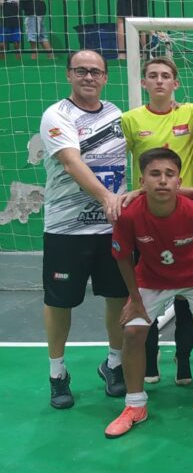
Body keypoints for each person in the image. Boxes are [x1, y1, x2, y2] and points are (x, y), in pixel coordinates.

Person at [106, 148, 193, 438]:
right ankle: (135, 405)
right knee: (134, 332)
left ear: (179, 180)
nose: (162, 180)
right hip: (151, 278)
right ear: (142, 180)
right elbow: (122, 257)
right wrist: (135, 299)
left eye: (169, 174)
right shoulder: (129, 216)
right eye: (155, 174)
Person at [39, 50, 128, 409]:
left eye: (95, 71)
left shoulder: (117, 116)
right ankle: (57, 373)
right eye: (81, 71)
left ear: (106, 77)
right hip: (66, 229)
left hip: (112, 229)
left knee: (117, 298)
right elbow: (72, 163)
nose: (88, 77)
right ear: (68, 75)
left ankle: (114, 364)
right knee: (60, 302)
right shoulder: (56, 116)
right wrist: (108, 198)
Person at [121, 57, 193, 386]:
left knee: (186, 299)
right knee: (149, 291)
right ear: (143, 83)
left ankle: (184, 364)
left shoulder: (192, 112)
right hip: (148, 222)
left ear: (175, 84)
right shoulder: (129, 120)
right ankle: (150, 364)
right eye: (152, 76)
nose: (158, 81)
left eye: (165, 76)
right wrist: (124, 194)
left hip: (186, 218)